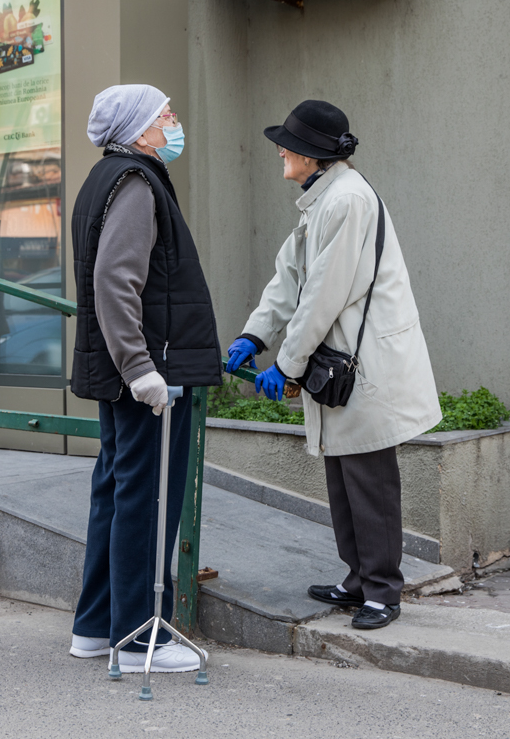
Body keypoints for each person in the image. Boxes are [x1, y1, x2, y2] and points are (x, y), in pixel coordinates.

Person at [225, 100, 441, 630]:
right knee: (343, 476)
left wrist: (288, 365)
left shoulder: (345, 202)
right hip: (342, 360)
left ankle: (384, 591)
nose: (280, 149)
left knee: (369, 481)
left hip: (362, 364)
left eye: (288, 144)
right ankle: (358, 579)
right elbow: (288, 278)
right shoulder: (321, 201)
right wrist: (255, 335)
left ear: (313, 155)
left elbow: (323, 294)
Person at [68, 84, 222, 672]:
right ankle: (137, 640)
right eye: (165, 116)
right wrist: (140, 368)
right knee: (148, 498)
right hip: (149, 374)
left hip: (130, 370)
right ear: (137, 130)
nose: (173, 122)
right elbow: (115, 281)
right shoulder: (135, 183)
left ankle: (95, 625)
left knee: (117, 488)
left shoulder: (109, 178)